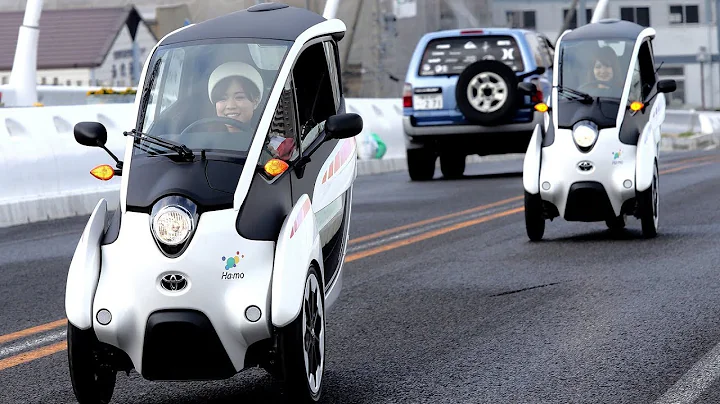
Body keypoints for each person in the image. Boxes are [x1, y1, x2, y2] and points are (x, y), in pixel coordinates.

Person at [207, 61, 296, 160]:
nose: (230, 106)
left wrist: (269, 160)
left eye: (239, 97)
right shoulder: (201, 144)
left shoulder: (275, 145)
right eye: (222, 98)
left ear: (255, 101)